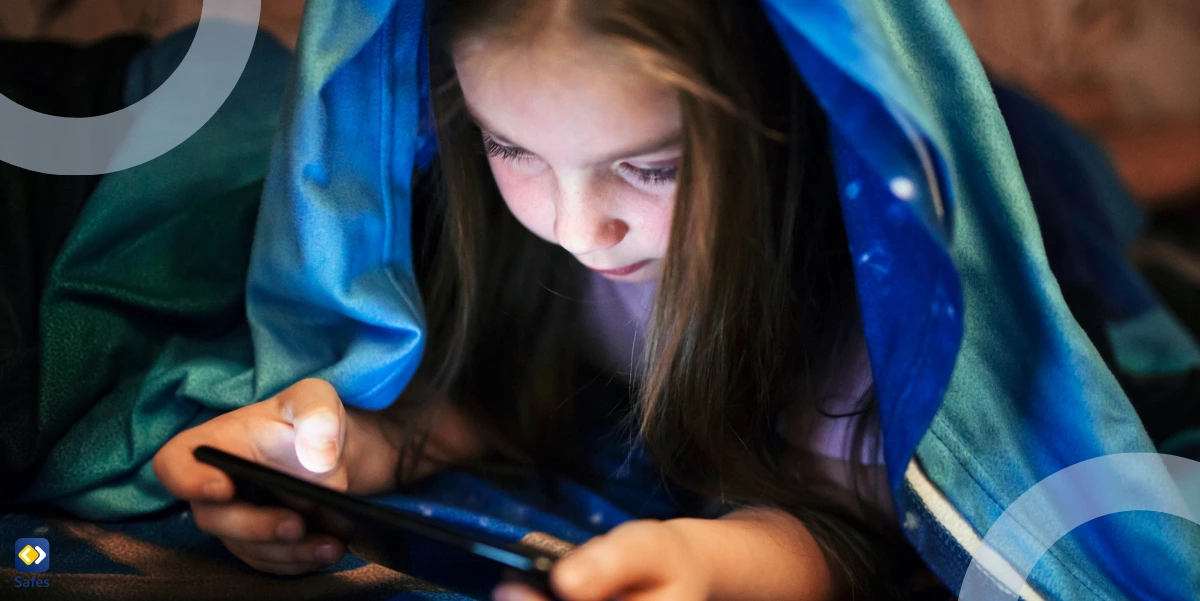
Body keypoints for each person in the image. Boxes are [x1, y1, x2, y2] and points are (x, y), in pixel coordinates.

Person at [152, 1, 909, 600]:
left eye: (652, 167)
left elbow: (842, 528)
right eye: (510, 147)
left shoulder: (873, 283)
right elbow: (502, 401)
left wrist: (700, 560)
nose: (576, 228)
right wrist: (343, 453)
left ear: (787, 121)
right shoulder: (485, 211)